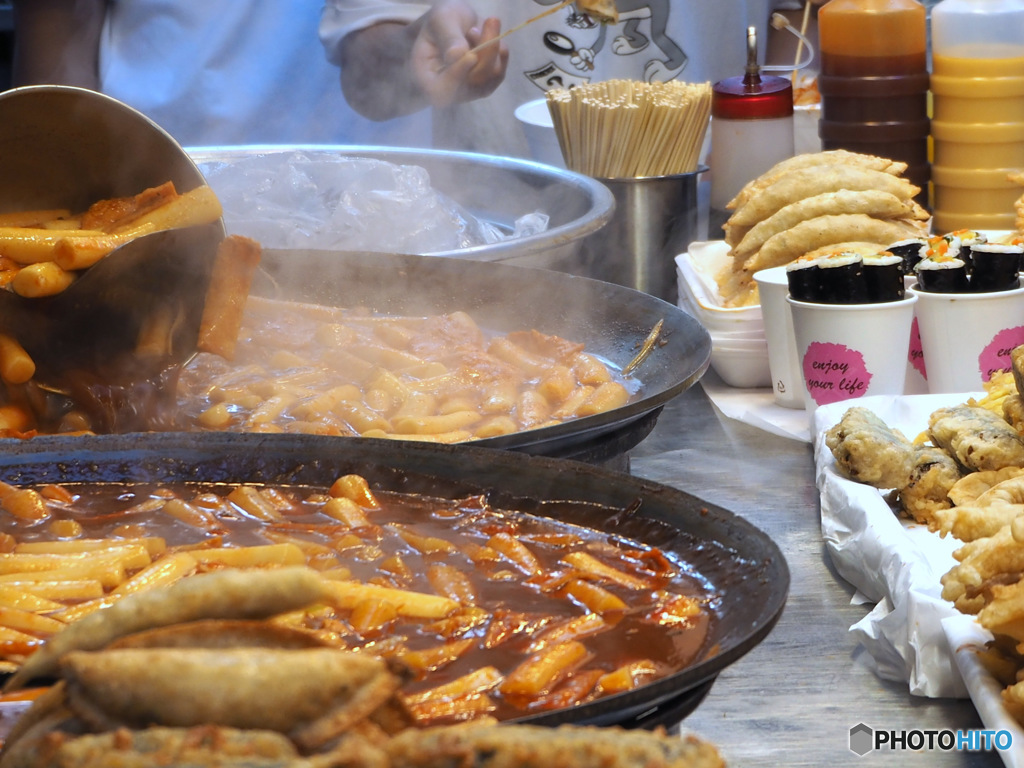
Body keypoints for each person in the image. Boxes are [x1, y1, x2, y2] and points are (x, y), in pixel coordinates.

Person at [321, 0, 804, 159]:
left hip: (714, 227)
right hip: (504, 238)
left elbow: (798, 17)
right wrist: (418, 52)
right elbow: (367, 83)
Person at [11, 0, 430, 148]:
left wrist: (425, 57)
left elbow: (377, 62)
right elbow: (58, 20)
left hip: (368, 204)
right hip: (156, 179)